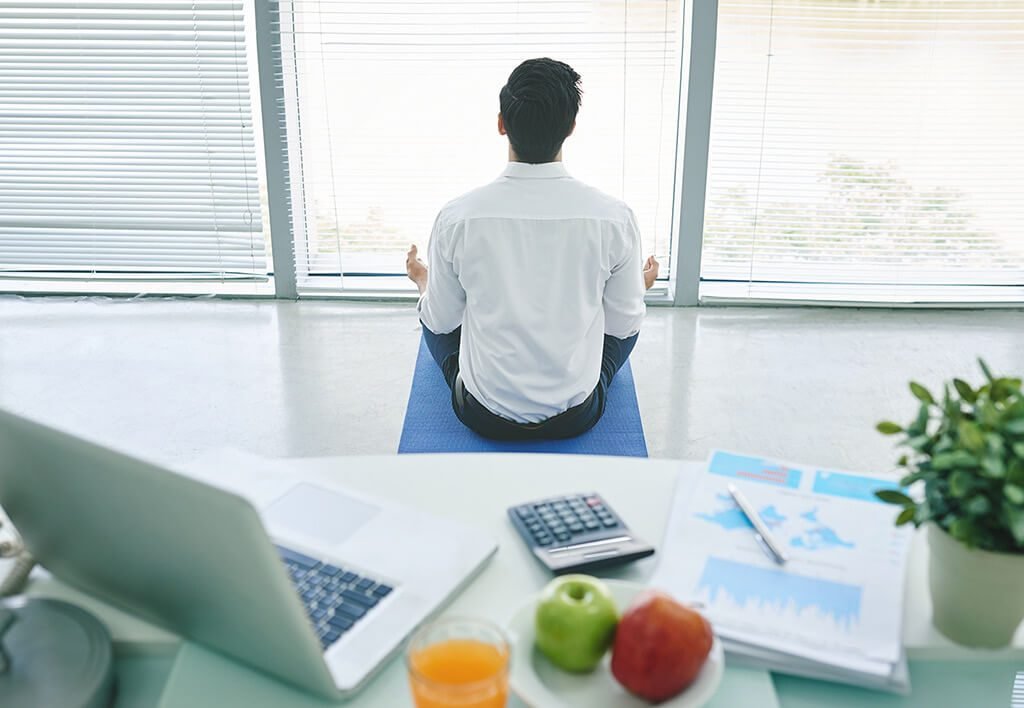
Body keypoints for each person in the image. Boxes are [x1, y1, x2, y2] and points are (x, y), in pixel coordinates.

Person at [406, 57, 659, 441]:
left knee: (434, 320)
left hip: (482, 414)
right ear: (572, 127)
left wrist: (425, 282)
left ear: (501, 124)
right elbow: (623, 324)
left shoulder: (457, 217)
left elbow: (442, 321)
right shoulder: (614, 218)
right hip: (576, 416)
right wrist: (633, 288)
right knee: (628, 318)